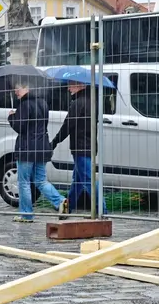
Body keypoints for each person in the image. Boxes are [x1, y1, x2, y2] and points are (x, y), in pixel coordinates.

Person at [8, 81, 67, 223]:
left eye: (18, 88)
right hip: (41, 147)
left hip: (26, 149)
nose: (16, 91)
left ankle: (26, 215)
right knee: (41, 180)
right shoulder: (43, 103)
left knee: (24, 182)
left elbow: (20, 128)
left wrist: (11, 117)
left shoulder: (24, 105)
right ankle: (60, 201)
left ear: (27, 87)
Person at [49, 81, 97, 215]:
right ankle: (68, 208)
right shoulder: (92, 101)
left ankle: (102, 210)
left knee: (88, 180)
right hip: (90, 145)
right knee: (78, 180)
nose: (69, 88)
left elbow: (67, 126)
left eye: (71, 85)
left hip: (81, 147)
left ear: (80, 85)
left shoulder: (78, 103)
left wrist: (54, 142)